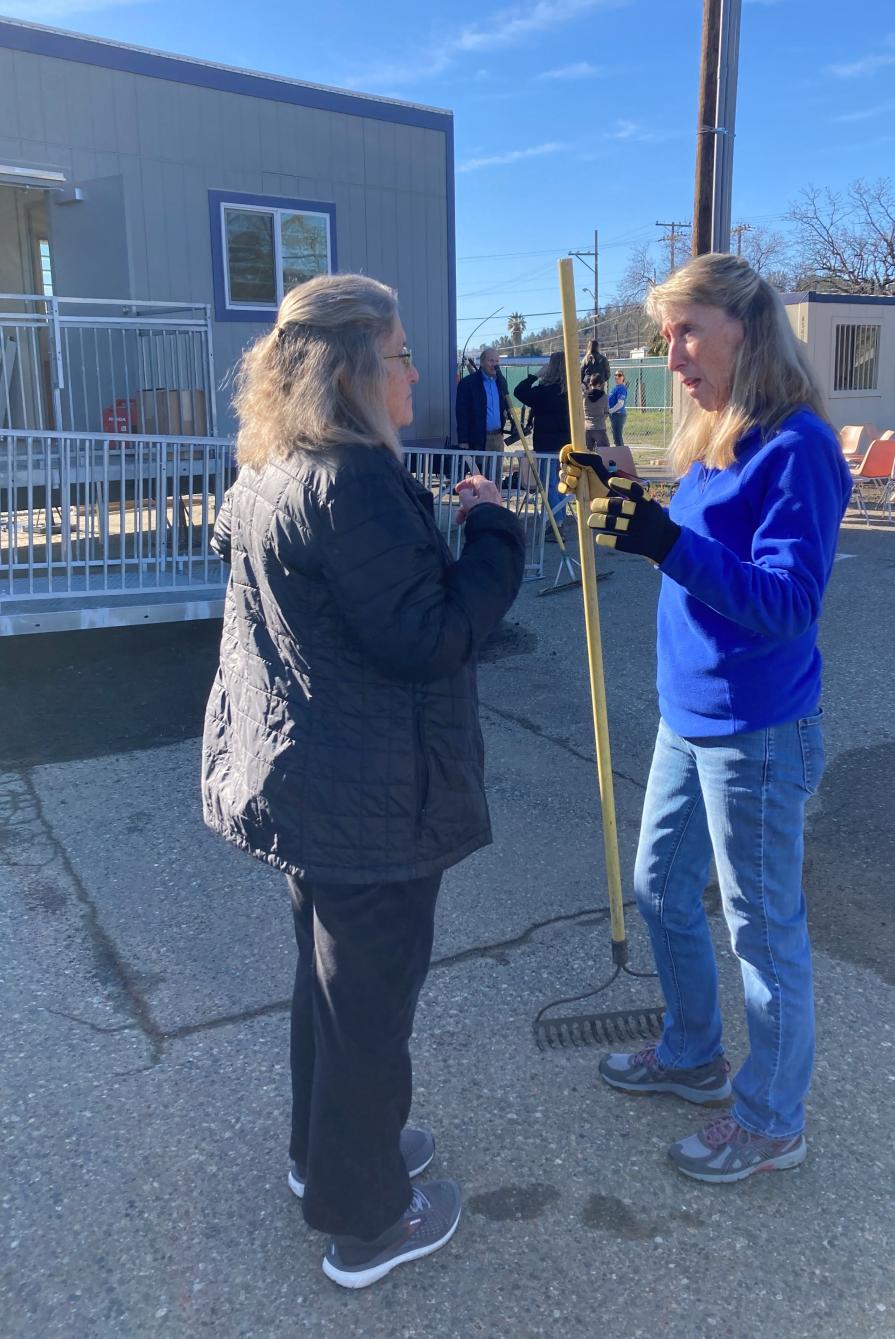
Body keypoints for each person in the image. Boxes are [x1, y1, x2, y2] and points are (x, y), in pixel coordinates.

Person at [201, 274, 525, 1287]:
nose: (414, 373)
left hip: (311, 783)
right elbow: (428, 635)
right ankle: (368, 1219)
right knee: (368, 1007)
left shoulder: (274, 467)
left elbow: (336, 594)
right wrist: (496, 534)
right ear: (351, 370)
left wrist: (424, 519)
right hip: (368, 800)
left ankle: (328, 1157)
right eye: (399, 355)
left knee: (335, 993)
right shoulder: (349, 481)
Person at [560, 252, 851, 1184]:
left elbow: (786, 600)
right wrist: (627, 491)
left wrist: (666, 542)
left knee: (763, 930)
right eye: (667, 333)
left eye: (687, 331)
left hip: (757, 727)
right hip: (689, 717)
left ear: (744, 327)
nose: (670, 352)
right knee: (658, 887)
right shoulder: (720, 431)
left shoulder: (795, 445)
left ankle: (770, 1119)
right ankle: (691, 1053)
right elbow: (689, 542)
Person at [514, 351, 572, 531]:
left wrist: (535, 375)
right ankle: (560, 517)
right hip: (566, 444)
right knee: (561, 482)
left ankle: (556, 521)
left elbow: (519, 392)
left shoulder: (544, 392)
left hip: (546, 443)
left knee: (549, 484)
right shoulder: (570, 392)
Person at [455, 346, 509, 480]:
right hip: (478, 438)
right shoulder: (469, 383)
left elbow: (505, 404)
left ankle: (493, 500)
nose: (494, 365)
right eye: (491, 361)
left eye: (497, 361)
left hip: (497, 437)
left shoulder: (500, 382)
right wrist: (463, 440)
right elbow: (462, 413)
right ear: (482, 362)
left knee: (495, 478)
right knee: (480, 479)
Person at [582, 372, 610, 451]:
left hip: (587, 427)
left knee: (588, 452)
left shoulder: (584, 396)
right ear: (599, 384)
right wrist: (601, 419)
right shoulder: (604, 396)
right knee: (605, 451)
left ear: (590, 383)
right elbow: (606, 412)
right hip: (599, 427)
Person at [608, 369, 629, 449]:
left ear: (623, 377)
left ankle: (622, 456)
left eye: (619, 375)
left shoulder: (621, 388)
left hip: (618, 415)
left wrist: (610, 411)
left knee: (618, 438)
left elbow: (620, 404)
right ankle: (620, 454)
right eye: (615, 375)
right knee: (616, 437)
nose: (617, 377)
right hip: (614, 415)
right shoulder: (615, 388)